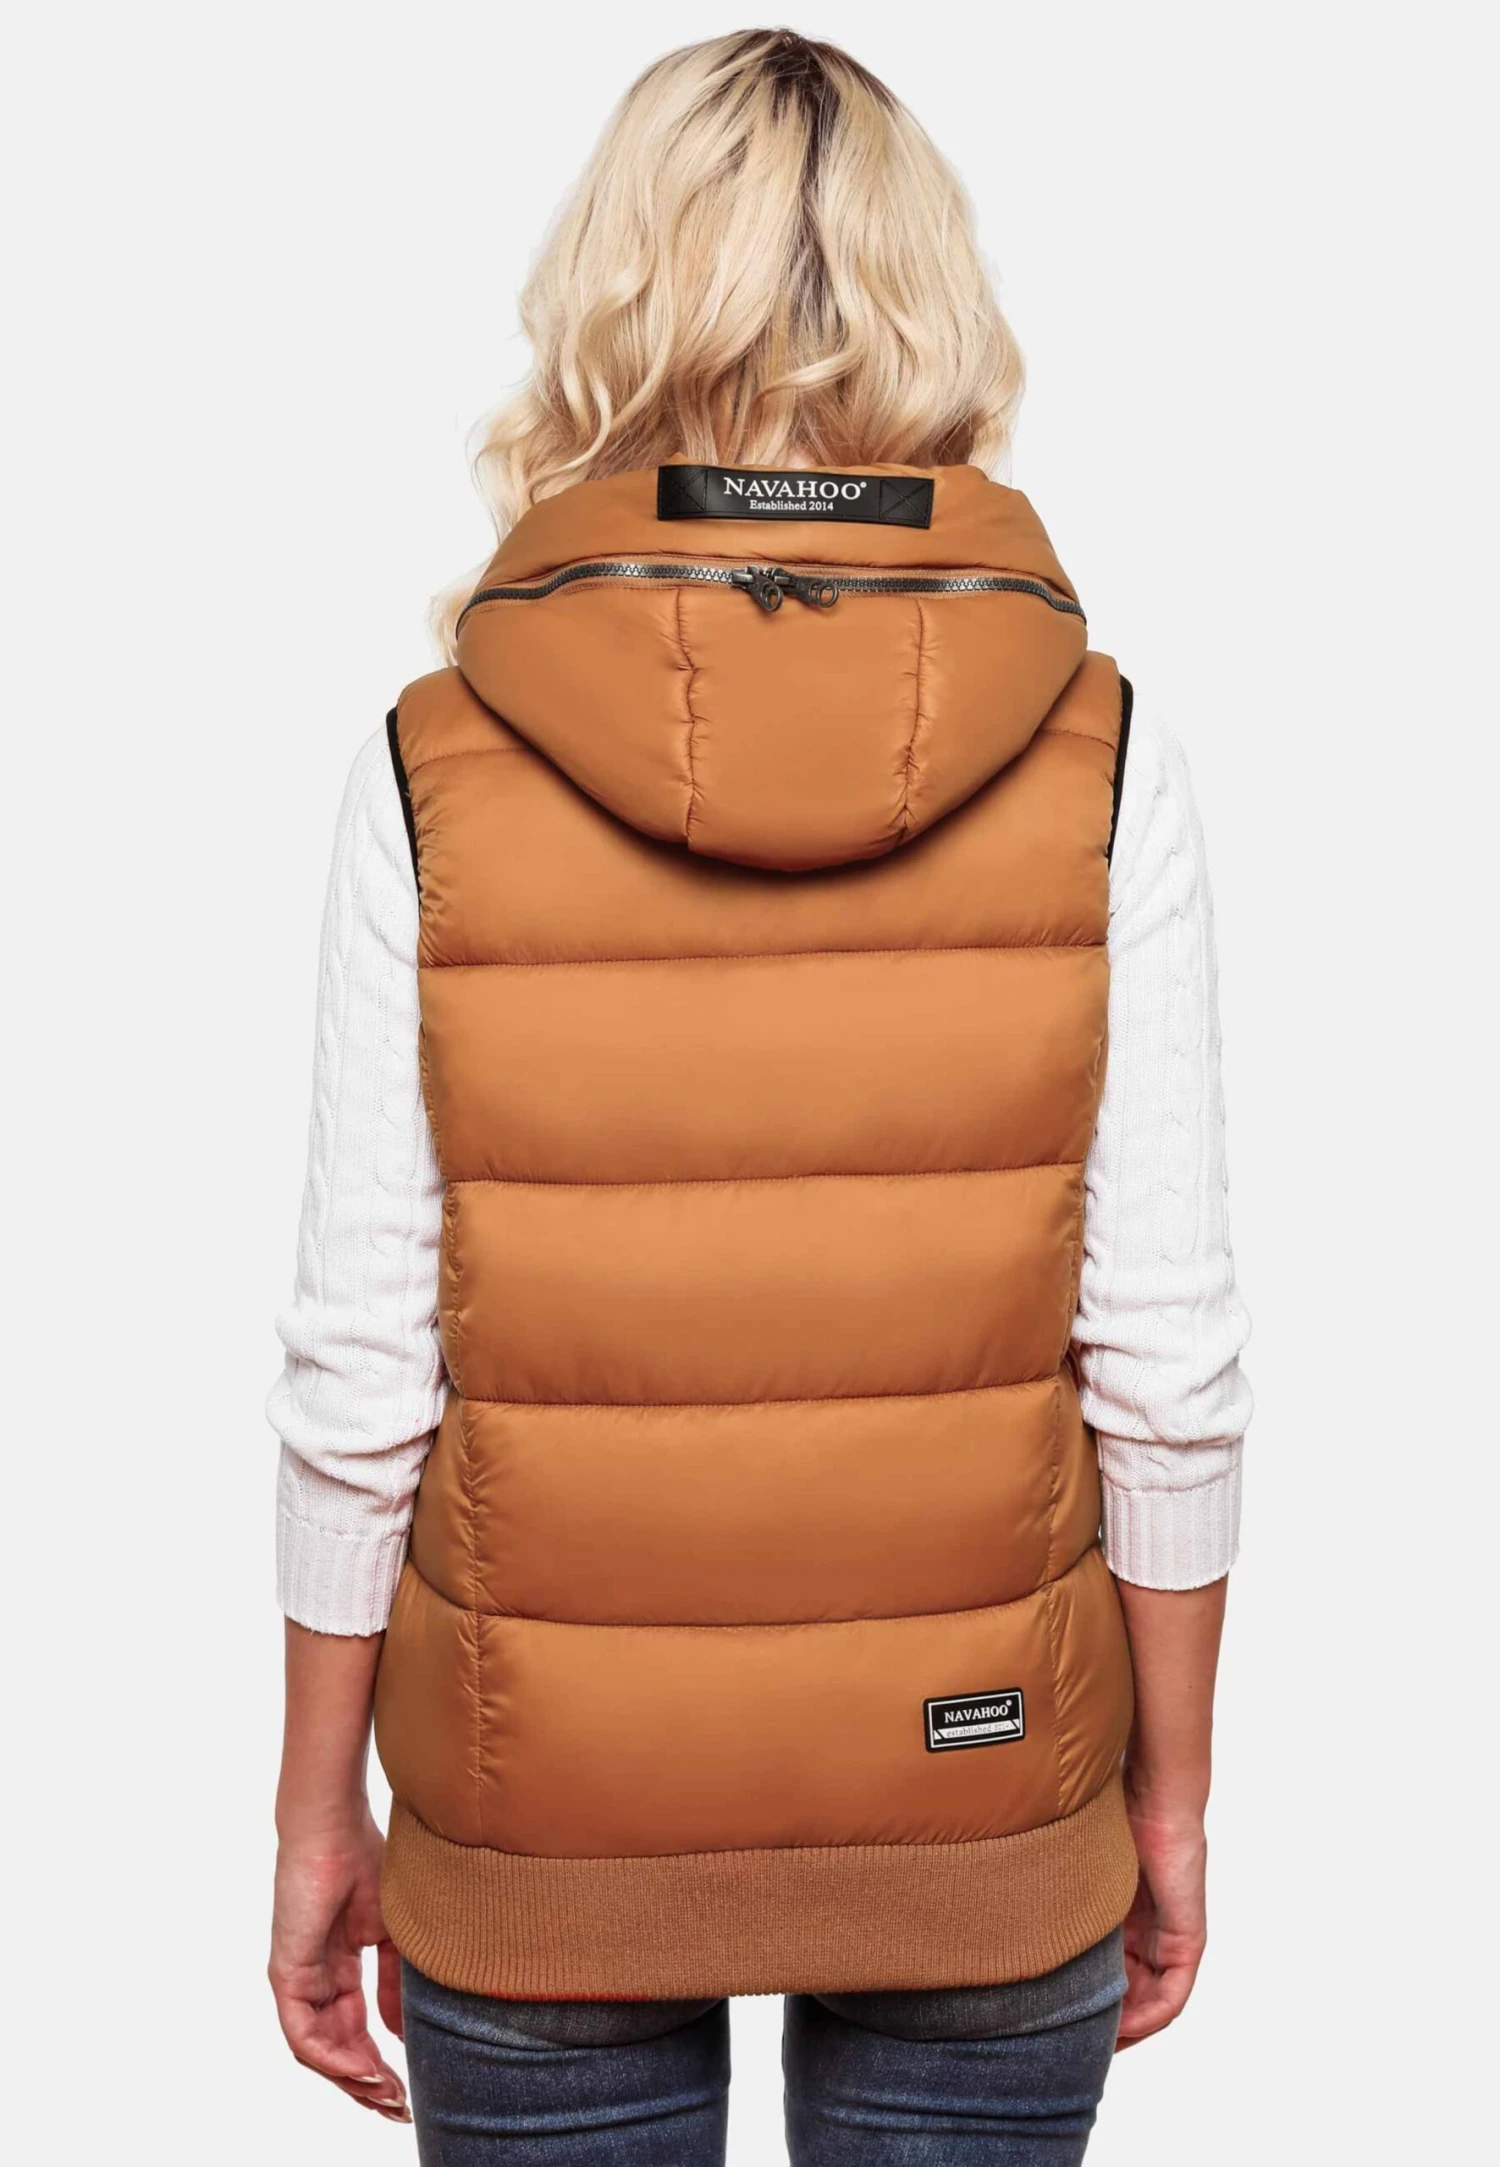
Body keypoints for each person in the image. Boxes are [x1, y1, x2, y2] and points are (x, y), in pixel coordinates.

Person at [267, 29, 1251, 2165]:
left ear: (608, 300)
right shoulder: (1101, 756)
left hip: (537, 1828)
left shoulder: (437, 766)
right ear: (933, 304)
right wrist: (1166, 1797)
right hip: (984, 1793)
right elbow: (1167, 1366)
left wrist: (314, 1810)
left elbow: (361, 1373)